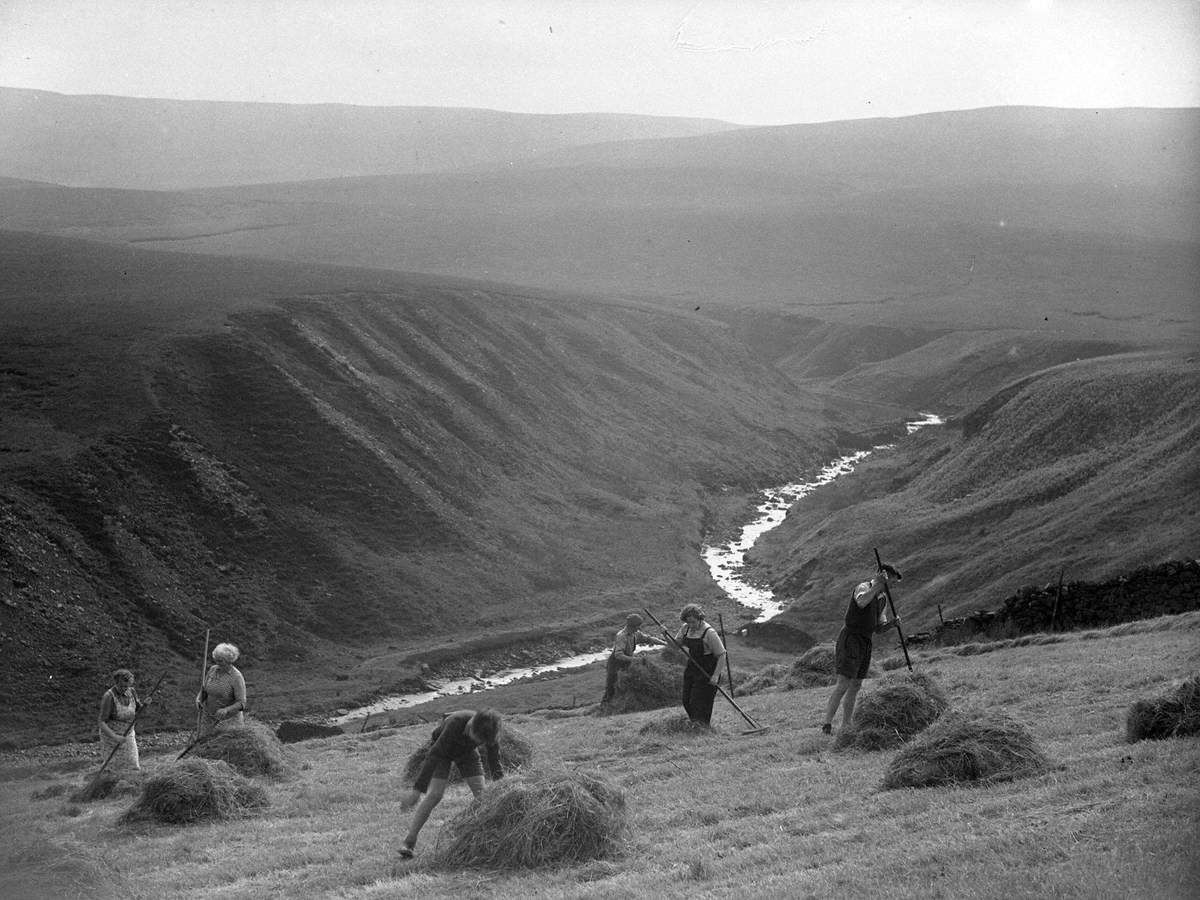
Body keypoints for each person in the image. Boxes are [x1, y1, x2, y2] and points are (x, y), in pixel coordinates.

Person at [396, 708, 504, 860]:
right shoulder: (456, 723)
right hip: (442, 753)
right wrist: (417, 791)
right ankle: (409, 842)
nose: (479, 742)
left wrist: (504, 788)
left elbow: (494, 761)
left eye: (481, 742)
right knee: (435, 795)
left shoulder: (490, 731)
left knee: (483, 797)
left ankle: (487, 839)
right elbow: (434, 757)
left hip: (467, 753)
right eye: (477, 739)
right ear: (471, 725)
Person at [821, 564, 902, 735]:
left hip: (866, 641)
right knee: (844, 682)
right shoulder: (864, 587)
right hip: (851, 638)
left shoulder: (883, 599)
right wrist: (878, 585)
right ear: (882, 577)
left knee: (856, 684)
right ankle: (827, 725)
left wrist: (891, 625)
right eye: (891, 582)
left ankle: (846, 725)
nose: (892, 586)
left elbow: (879, 628)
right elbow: (862, 602)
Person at [675, 603, 726, 726]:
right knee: (686, 700)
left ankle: (702, 726)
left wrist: (715, 675)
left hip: (708, 668)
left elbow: (722, 654)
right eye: (688, 622)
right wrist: (665, 635)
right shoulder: (685, 628)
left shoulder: (709, 633)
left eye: (693, 622)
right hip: (692, 666)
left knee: (699, 701)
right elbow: (675, 645)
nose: (691, 625)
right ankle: (696, 724)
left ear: (700, 618)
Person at [601, 613, 667, 703]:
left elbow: (649, 639)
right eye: (637, 626)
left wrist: (664, 643)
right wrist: (635, 660)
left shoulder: (636, 634)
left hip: (627, 661)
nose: (639, 628)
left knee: (628, 683)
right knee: (612, 686)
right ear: (631, 625)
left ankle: (624, 703)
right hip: (616, 663)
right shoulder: (621, 636)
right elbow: (618, 655)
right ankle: (605, 707)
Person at [195, 642, 246, 736]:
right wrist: (199, 698)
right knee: (203, 743)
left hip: (228, 721)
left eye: (221, 661)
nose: (218, 663)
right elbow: (205, 689)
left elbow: (241, 703)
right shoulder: (212, 670)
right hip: (208, 717)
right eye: (216, 660)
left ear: (229, 660)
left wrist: (226, 710)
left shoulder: (236, 677)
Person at [98, 668, 143, 773]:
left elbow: (138, 709)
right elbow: (101, 722)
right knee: (113, 769)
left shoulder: (132, 691)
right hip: (111, 738)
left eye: (127, 686)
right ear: (116, 683)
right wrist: (115, 737)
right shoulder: (109, 696)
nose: (124, 689)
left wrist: (145, 704)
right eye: (122, 686)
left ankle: (129, 786)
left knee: (133, 764)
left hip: (128, 734)